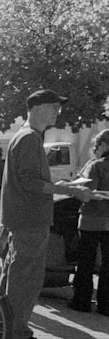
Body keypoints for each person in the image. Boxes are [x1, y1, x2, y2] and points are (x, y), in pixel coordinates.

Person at [1, 89, 90, 339]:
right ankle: (16, 332)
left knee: (16, 275)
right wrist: (70, 190)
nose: (57, 112)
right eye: (54, 107)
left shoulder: (26, 137)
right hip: (30, 220)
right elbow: (30, 183)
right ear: (38, 108)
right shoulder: (29, 138)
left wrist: (60, 184)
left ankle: (4, 326)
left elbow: (29, 180)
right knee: (26, 280)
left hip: (24, 218)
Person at [69, 129, 109, 315]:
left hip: (91, 220)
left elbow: (86, 193)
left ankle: (82, 301)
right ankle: (105, 305)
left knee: (86, 262)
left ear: (103, 145)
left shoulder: (95, 166)